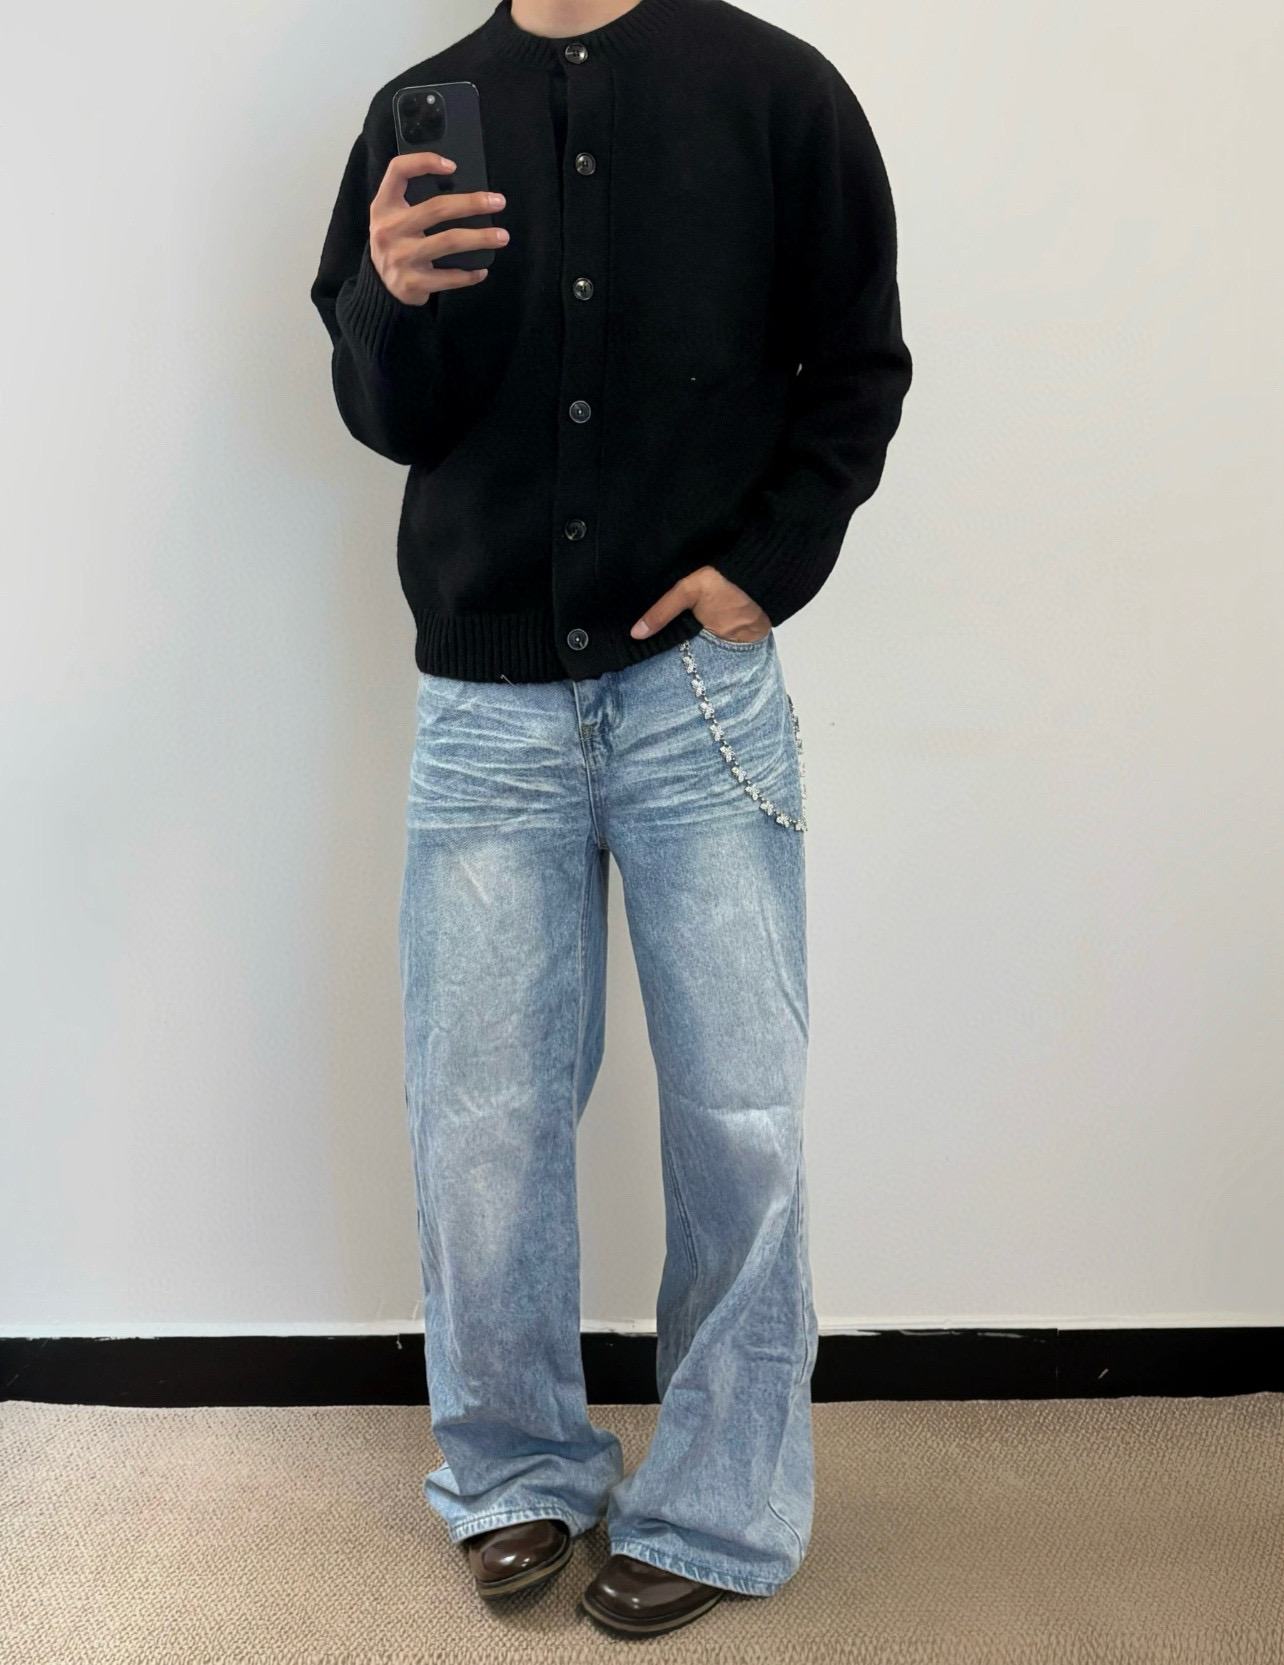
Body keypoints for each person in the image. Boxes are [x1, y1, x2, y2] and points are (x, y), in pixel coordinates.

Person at [310, 0, 911, 1637]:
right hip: (483, 711)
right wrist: (385, 296)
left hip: (695, 697)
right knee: (480, 1115)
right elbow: (387, 413)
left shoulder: (778, 92)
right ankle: (514, 1468)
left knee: (741, 1115)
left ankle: (718, 1504)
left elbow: (857, 365)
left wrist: (765, 568)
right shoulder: (423, 108)